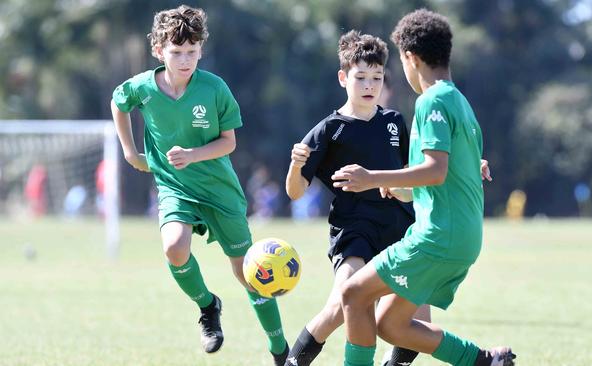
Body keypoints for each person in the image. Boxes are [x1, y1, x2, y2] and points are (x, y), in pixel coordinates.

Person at [333, 10, 515, 366]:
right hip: (462, 235)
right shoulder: (459, 101)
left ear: (409, 58)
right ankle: (484, 361)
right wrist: (401, 189)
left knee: (353, 293)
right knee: (391, 323)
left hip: (438, 236)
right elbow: (446, 176)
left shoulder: (431, 101)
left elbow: (434, 170)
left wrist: (373, 178)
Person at [109, 5, 288, 364]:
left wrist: (192, 154)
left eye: (192, 52)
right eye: (177, 52)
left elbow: (229, 142)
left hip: (220, 190)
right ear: (159, 51)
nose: (185, 59)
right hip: (175, 187)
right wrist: (130, 152)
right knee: (174, 248)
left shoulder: (214, 88)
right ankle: (208, 306)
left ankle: (281, 349)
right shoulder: (144, 87)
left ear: (201, 50)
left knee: (251, 274)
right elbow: (119, 101)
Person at [285, 30, 430, 366]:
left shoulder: (394, 122)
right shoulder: (328, 130)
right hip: (355, 232)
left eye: (377, 78)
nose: (370, 85)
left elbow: (412, 177)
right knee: (341, 305)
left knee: (416, 325)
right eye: (361, 77)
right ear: (343, 78)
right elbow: (295, 192)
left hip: (400, 230)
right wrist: (296, 166)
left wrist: (403, 189)